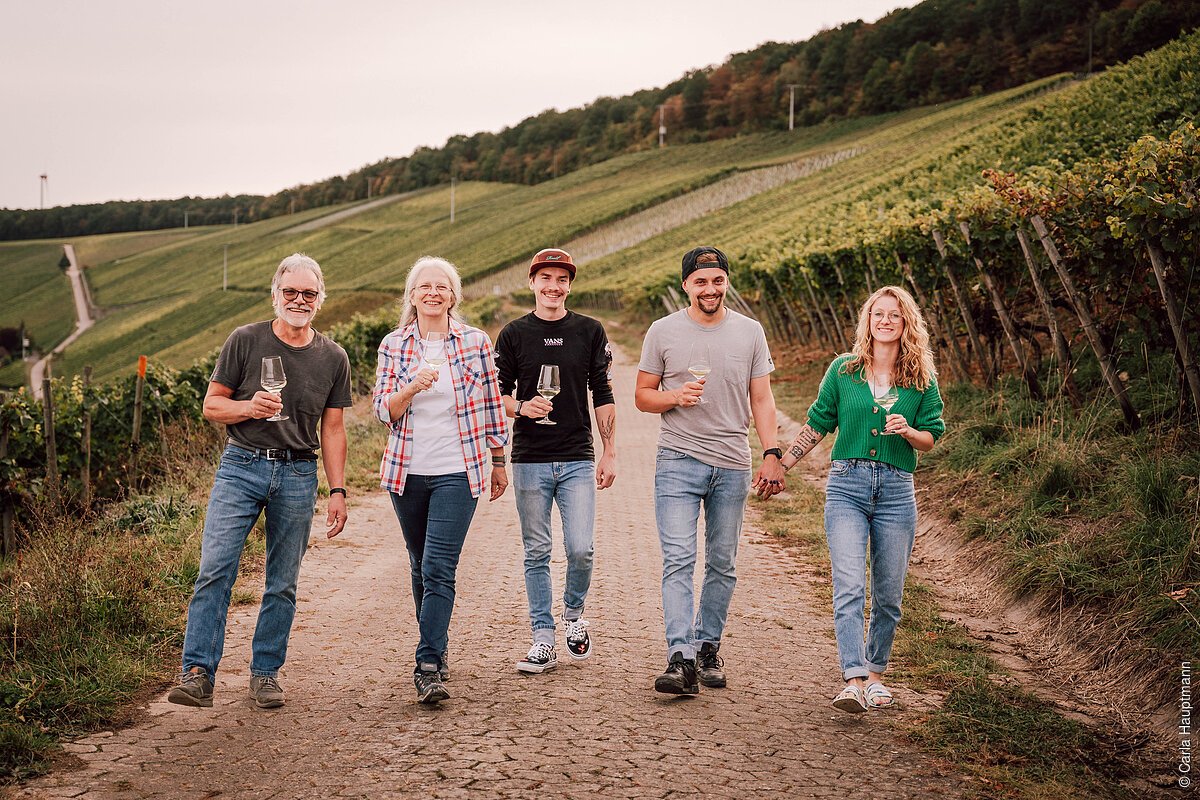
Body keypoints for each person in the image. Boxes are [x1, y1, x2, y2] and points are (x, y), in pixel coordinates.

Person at [168, 253, 351, 710]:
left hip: (297, 473)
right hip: (242, 466)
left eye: (309, 293)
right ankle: (197, 673)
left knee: (282, 582)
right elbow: (212, 406)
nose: (299, 300)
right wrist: (250, 408)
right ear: (276, 294)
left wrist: (338, 490)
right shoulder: (245, 340)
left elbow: (332, 429)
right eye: (290, 291)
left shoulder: (333, 357)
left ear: (319, 299)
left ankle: (265, 674)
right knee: (216, 570)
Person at [778, 285, 945, 713]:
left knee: (888, 595)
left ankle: (875, 676)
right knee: (849, 586)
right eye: (878, 314)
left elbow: (931, 437)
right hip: (847, 486)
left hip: (895, 491)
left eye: (894, 315)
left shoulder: (920, 380)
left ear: (907, 323)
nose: (885, 320)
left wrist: (907, 431)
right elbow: (818, 423)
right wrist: (783, 463)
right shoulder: (844, 370)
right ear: (867, 321)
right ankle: (852, 679)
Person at [635, 246, 785, 695]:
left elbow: (762, 398)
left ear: (726, 283)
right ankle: (679, 659)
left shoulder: (750, 332)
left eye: (717, 280)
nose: (710, 289)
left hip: (733, 463)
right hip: (677, 461)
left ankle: (707, 647)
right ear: (686, 285)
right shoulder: (662, 332)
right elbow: (643, 396)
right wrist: (675, 397)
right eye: (700, 281)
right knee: (679, 560)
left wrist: (772, 451)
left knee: (723, 563)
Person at [372, 255, 509, 704]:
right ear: (412, 296)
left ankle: (427, 664)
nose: (433, 293)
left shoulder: (475, 342)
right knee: (418, 563)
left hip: (458, 469)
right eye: (424, 287)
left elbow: (491, 403)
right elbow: (383, 411)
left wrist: (499, 459)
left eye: (442, 287)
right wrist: (411, 387)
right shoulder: (394, 345)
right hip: (407, 472)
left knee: (437, 566)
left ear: (454, 296)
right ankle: (438, 646)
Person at [495, 248, 616, 674]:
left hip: (578, 457)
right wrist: (521, 408)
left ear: (569, 285)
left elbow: (602, 392)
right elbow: (496, 395)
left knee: (580, 548)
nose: (553, 286)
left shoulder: (590, 330)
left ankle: (574, 616)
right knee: (537, 552)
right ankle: (542, 638)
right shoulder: (513, 333)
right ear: (532, 282)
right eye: (545, 278)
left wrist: (610, 451)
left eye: (561, 279)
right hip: (529, 458)